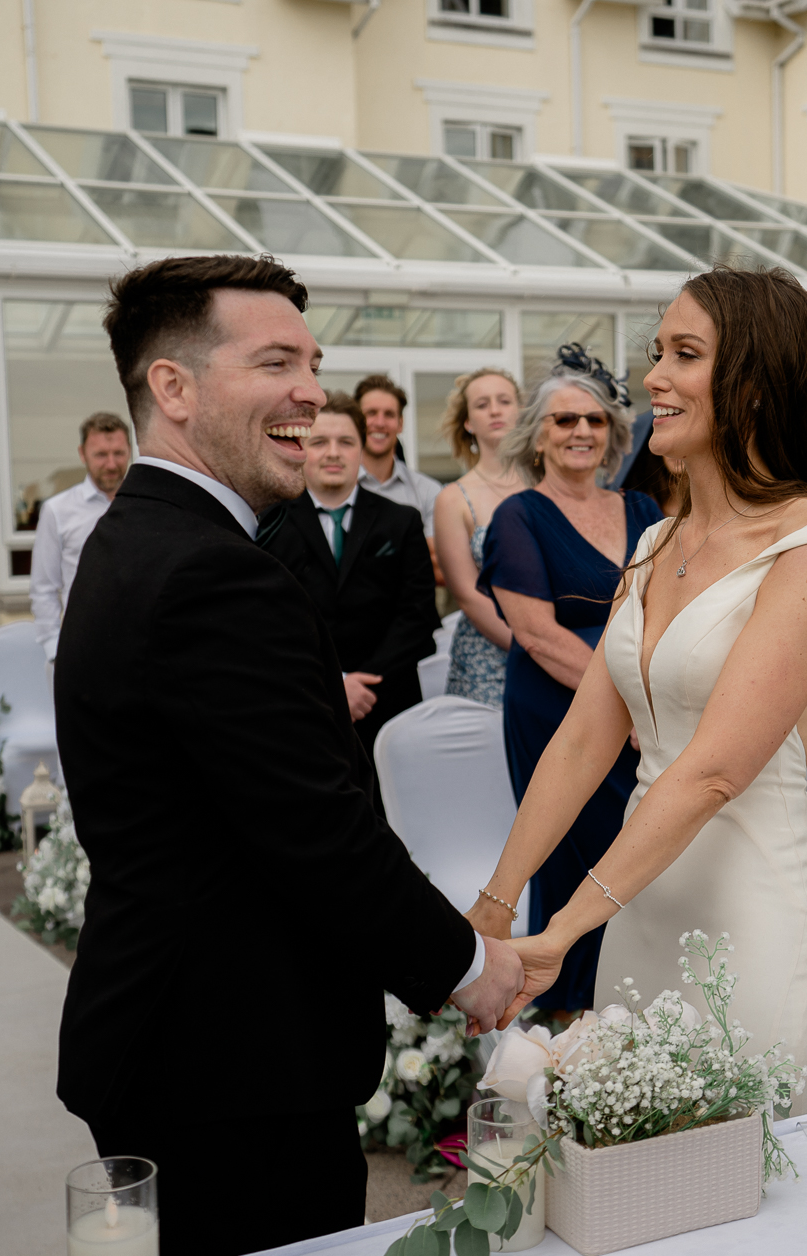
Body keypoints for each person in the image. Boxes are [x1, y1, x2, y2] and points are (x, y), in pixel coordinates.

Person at [53, 254, 523, 1256]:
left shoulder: (144, 536)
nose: (313, 390)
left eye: (314, 361)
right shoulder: (207, 572)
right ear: (172, 387)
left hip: (187, 1038)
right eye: (276, 361)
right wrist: (468, 964)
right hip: (229, 1059)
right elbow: (315, 827)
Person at [468, 269, 807, 1113]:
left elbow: (715, 772)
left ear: (752, 386)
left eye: (685, 354)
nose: (653, 378)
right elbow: (582, 739)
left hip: (750, 907)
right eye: (659, 353)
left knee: (744, 1186)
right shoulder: (653, 543)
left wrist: (565, 928)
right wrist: (496, 903)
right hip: (641, 902)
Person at [473, 347, 662, 1012]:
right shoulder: (518, 516)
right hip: (559, 714)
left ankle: (639, 1006)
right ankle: (568, 1009)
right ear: (537, 436)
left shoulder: (644, 511)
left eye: (594, 419)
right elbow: (538, 634)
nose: (581, 431)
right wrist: (632, 710)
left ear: (614, 432)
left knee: (642, 853)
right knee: (573, 855)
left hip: (643, 717)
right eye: (563, 421)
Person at [257, 393, 438, 763]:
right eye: (320, 442)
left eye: (346, 442)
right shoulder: (268, 524)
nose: (333, 453)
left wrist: (362, 682)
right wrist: (336, 683)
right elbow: (268, 619)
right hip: (303, 702)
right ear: (302, 446)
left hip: (387, 702)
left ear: (361, 449)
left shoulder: (401, 521)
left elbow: (417, 615)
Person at [432, 368, 525, 707]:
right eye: (483, 404)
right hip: (489, 663)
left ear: (520, 412)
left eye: (504, 401)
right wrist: (532, 648)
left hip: (560, 647)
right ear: (468, 422)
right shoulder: (453, 499)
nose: (496, 410)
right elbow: (469, 596)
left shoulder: (549, 486)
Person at [30, 411, 132, 662]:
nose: (111, 464)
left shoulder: (149, 505)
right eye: (100, 454)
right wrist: (55, 650)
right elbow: (44, 588)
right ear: (82, 454)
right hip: (82, 649)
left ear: (130, 451)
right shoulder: (58, 510)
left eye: (118, 453)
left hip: (140, 648)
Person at [355, 373, 442, 543]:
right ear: (357, 421)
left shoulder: (428, 492)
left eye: (389, 414)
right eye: (371, 413)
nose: (380, 423)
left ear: (400, 424)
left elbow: (432, 558)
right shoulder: (337, 487)